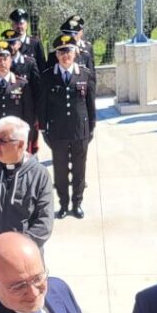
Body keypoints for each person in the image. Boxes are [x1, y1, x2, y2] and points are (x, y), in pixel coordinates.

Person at [0, 116, 53, 251]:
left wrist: (17, 251)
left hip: (27, 257)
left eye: (1, 141)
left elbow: (44, 223)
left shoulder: (39, 175)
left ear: (20, 144)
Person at [38, 35, 96, 219]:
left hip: (80, 130)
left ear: (75, 52)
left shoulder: (85, 74)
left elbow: (90, 103)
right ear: (56, 55)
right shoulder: (48, 76)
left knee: (80, 170)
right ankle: (63, 204)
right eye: (61, 52)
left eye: (68, 51)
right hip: (57, 131)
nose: (65, 56)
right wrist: (43, 128)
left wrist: (92, 127)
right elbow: (43, 105)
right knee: (60, 170)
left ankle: (77, 203)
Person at [0, 40, 35, 157]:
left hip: (16, 138)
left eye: (5, 59)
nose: (2, 63)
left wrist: (26, 138)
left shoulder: (22, 84)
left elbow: (29, 115)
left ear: (10, 60)